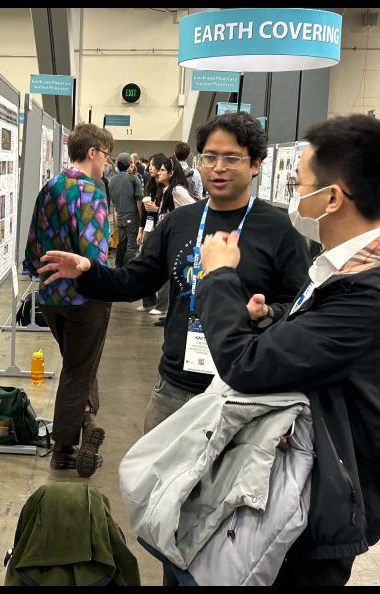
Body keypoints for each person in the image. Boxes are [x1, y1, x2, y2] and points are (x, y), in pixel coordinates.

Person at [196, 114, 380, 586]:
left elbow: (245, 366)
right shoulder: (368, 267)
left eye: (299, 184)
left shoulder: (369, 296)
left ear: (332, 197)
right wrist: (275, 320)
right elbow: (330, 348)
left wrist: (217, 276)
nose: (294, 195)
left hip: (323, 505)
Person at [37, 111, 310, 435]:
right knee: (158, 482)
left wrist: (267, 313)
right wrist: (86, 270)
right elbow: (132, 282)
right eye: (210, 156)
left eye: (232, 157)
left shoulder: (279, 230)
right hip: (175, 387)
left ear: (256, 164)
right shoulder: (180, 222)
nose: (219, 167)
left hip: (244, 391)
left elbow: (300, 307)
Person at [24, 122, 114, 478]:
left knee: (80, 361)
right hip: (85, 297)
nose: (106, 163)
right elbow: (94, 255)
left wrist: (41, 272)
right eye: (105, 156)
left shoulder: (50, 186)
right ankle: (65, 447)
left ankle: (88, 419)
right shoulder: (91, 192)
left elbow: (33, 244)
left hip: (50, 296)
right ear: (92, 152)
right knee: (79, 369)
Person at [138, 156, 195, 322]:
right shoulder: (164, 189)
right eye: (159, 169)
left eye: (162, 170)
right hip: (166, 235)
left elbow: (193, 206)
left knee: (173, 274)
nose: (158, 172)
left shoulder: (176, 190)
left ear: (170, 172)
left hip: (176, 237)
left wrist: (173, 218)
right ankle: (167, 309)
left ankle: (168, 309)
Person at [135, 153, 166, 314]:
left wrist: (157, 209)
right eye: (151, 165)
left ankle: (161, 304)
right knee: (143, 261)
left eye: (153, 165)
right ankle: (148, 301)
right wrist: (141, 230)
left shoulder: (166, 187)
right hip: (148, 227)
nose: (150, 168)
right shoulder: (150, 183)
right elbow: (145, 213)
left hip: (159, 228)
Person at [110, 152, 144, 268]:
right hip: (133, 217)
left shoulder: (112, 180)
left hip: (119, 216)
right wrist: (141, 217)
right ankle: (130, 272)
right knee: (132, 247)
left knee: (122, 244)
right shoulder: (133, 179)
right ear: (130, 164)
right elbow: (139, 200)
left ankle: (118, 268)